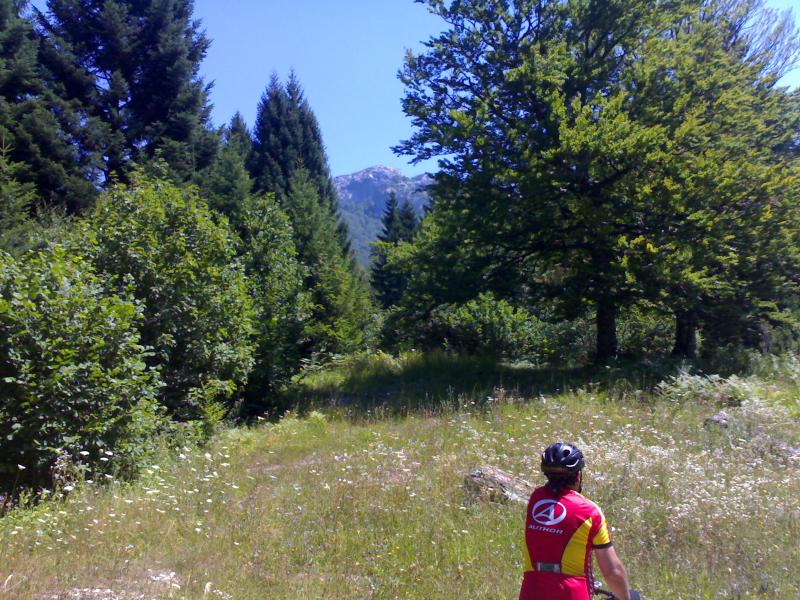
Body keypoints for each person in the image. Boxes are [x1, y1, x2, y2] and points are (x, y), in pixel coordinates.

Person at [519, 442, 632, 600]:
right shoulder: (590, 512)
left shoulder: (535, 499)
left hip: (531, 591)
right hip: (572, 592)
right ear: (578, 475)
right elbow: (612, 573)